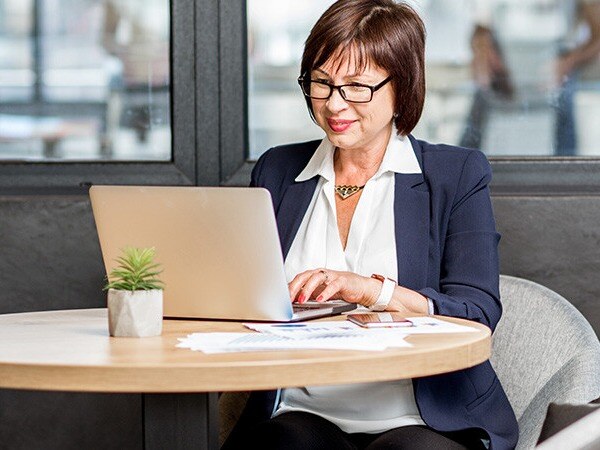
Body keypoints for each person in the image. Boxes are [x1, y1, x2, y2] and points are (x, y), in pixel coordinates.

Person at [223, 1, 518, 449]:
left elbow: (477, 312)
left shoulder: (455, 174)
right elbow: (244, 297)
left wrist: (372, 291)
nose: (334, 104)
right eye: (321, 83)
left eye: (357, 87)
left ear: (403, 85)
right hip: (303, 412)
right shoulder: (278, 171)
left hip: (422, 417)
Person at [460, 0, 600, 155]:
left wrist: (568, 62)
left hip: (557, 87)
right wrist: (482, 49)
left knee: (563, 162)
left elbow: (597, 37)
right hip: (501, 87)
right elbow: (479, 26)